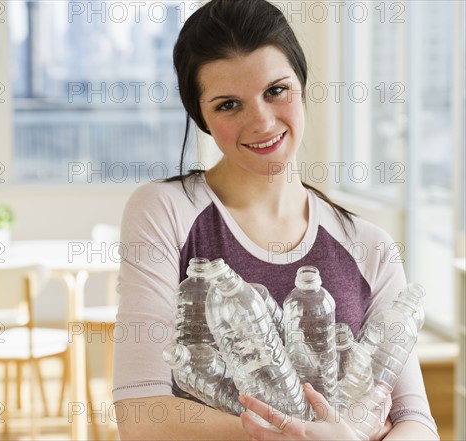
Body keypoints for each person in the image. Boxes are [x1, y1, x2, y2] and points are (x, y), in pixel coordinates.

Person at [112, 0, 439, 440]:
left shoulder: (369, 245)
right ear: (202, 117)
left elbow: (417, 423)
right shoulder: (167, 211)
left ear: (302, 84)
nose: (262, 122)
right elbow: (139, 414)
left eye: (276, 90)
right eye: (229, 104)